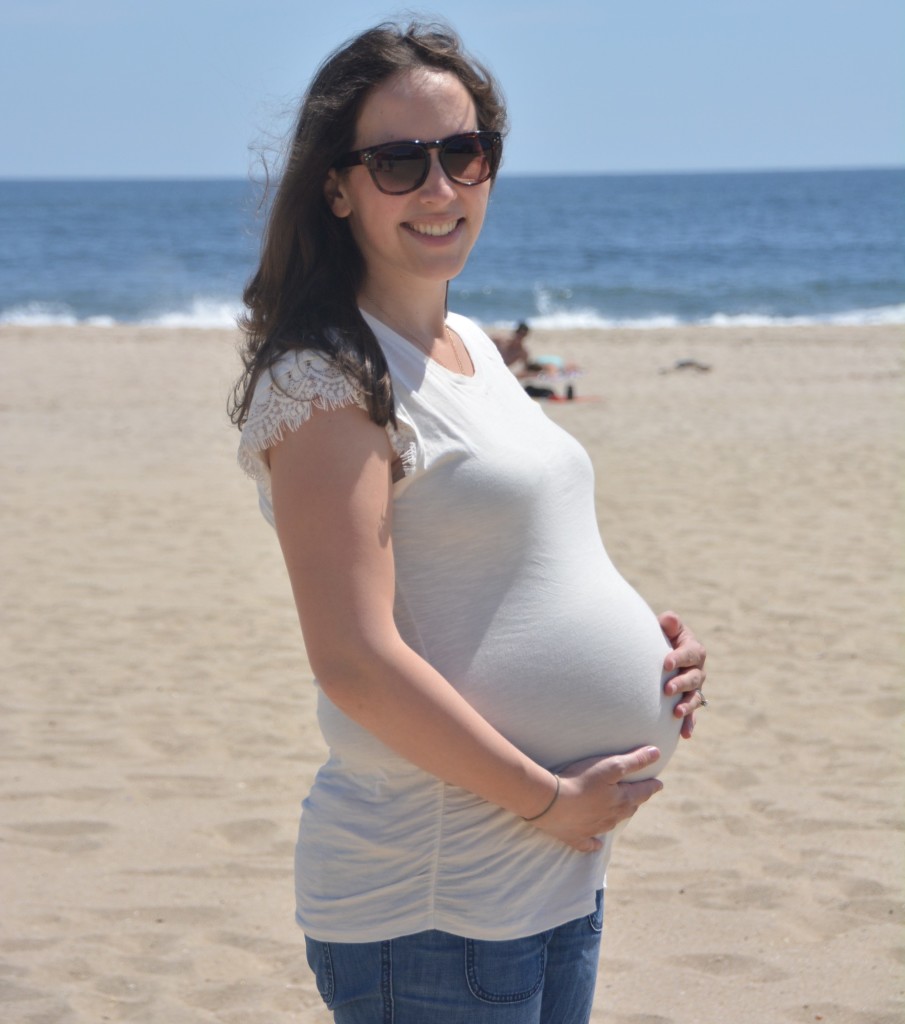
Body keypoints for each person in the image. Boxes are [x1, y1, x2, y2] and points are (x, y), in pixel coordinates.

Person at [230, 20, 708, 1024]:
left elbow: (511, 559)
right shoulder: (324, 379)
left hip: (546, 876)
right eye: (399, 161)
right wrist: (546, 797)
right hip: (437, 899)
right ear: (337, 186)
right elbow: (354, 658)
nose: (440, 187)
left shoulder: (469, 349)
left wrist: (652, 651)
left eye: (464, 153)